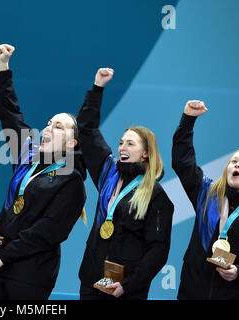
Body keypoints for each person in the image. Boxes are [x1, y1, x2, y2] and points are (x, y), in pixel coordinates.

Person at [0, 44, 86, 300]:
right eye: (49, 123)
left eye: (59, 126)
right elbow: (10, 113)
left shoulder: (71, 180)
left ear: (72, 143)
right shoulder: (27, 155)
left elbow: (49, 231)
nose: (49, 128)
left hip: (29, 272)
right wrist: (3, 67)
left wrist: (4, 257)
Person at [77, 68, 174, 299]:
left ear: (145, 154)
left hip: (125, 290)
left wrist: (129, 284)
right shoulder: (108, 173)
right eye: (121, 142)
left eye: (130, 144)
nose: (122, 148)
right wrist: (97, 88)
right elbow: (87, 131)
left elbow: (158, 250)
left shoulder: (156, 195)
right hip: (91, 282)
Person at [172, 100, 239, 299]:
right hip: (192, 292)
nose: (236, 165)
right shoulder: (208, 194)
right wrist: (188, 120)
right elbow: (183, 162)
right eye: (233, 162)